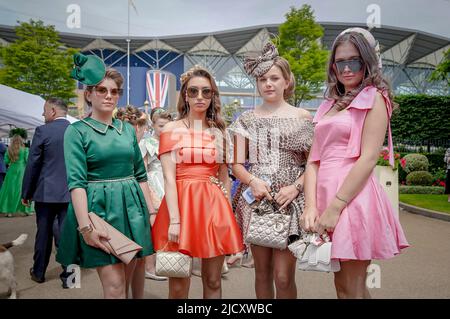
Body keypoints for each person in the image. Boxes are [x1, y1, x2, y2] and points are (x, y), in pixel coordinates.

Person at [300, 28, 409, 299]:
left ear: (367, 62)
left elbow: (369, 157)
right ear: (333, 66)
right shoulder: (329, 104)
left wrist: (336, 206)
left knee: (352, 286)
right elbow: (313, 160)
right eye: (341, 62)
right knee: (343, 285)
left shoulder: (374, 98)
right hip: (326, 195)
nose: (347, 69)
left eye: (354, 61)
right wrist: (311, 206)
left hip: (351, 198)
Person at [56, 53, 154, 299]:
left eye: (114, 91)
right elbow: (76, 183)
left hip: (132, 211)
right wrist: (85, 227)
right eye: (102, 90)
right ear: (88, 94)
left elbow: (140, 175)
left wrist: (151, 213)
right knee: (115, 287)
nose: (109, 95)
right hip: (98, 211)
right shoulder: (76, 131)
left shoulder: (126, 131)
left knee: (129, 282)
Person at [229, 42, 314, 299]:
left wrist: (296, 187)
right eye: (263, 79)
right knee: (262, 273)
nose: (269, 83)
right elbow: (235, 164)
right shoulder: (246, 119)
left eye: (275, 78)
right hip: (256, 199)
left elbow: (313, 163)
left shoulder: (303, 117)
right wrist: (252, 181)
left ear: (287, 81)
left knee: (284, 276)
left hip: (290, 200)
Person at [151, 65, 244, 299]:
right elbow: (169, 179)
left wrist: (227, 218)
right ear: (185, 95)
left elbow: (224, 177)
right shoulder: (171, 129)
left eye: (206, 92)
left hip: (213, 208)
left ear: (213, 96)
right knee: (179, 284)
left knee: (213, 281)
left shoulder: (220, 132)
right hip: (180, 207)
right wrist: (174, 221)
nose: (200, 97)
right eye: (193, 91)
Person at [21, 98, 71, 287]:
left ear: (52, 111)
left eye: (44, 110)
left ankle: (39, 273)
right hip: (70, 193)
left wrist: (26, 192)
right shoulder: (77, 130)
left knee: (43, 234)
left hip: (45, 192)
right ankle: (71, 278)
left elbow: (33, 164)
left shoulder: (43, 131)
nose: (43, 115)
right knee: (68, 235)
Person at [140, 107, 172, 280]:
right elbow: (142, 171)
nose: (164, 130)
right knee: (152, 227)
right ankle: (149, 267)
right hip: (154, 184)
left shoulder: (172, 142)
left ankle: (166, 263)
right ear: (153, 125)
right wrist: (150, 192)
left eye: (167, 126)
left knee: (167, 226)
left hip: (169, 183)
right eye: (161, 126)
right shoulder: (146, 143)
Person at [0, 135, 34, 216]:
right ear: (21, 141)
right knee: (22, 190)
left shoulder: (9, 150)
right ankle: (25, 210)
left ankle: (9, 211)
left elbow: (6, 161)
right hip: (22, 171)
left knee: (10, 190)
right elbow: (27, 160)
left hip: (11, 171)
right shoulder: (25, 150)